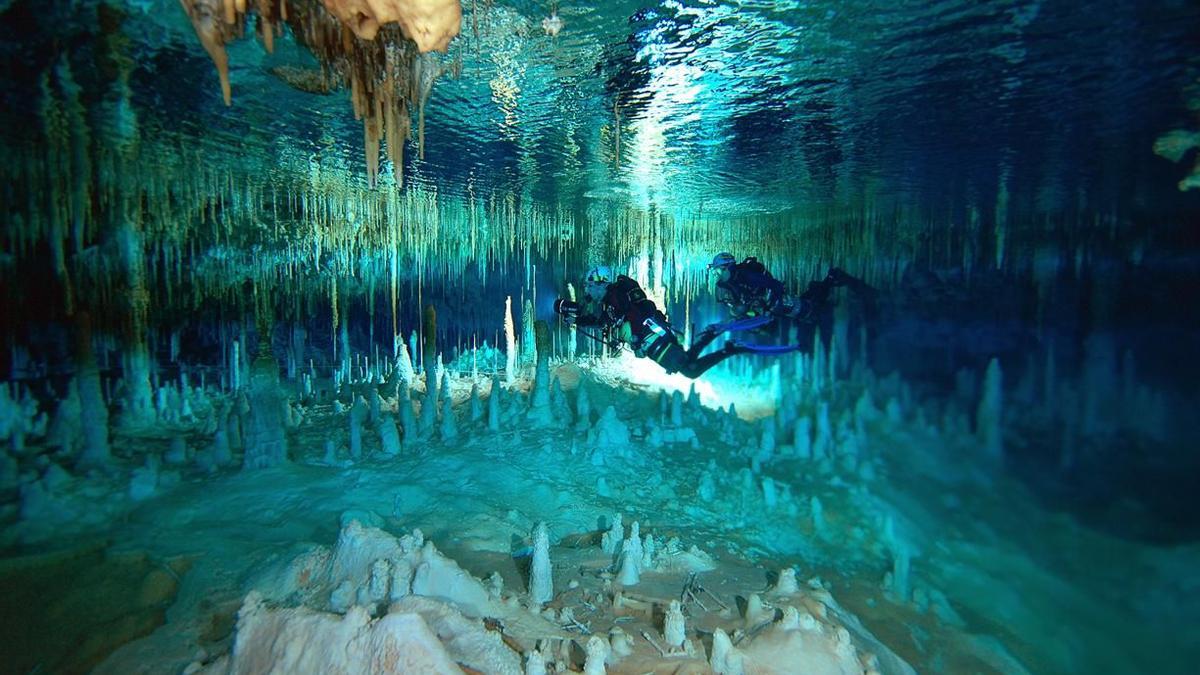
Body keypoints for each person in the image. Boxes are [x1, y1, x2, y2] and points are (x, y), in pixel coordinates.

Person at [555, 266, 747, 379]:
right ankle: (714, 335)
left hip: (653, 339)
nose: (588, 291)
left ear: (600, 283)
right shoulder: (609, 303)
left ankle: (729, 348)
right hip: (653, 340)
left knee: (689, 371)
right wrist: (576, 320)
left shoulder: (614, 295)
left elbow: (633, 313)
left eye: (589, 286)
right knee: (688, 362)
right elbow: (601, 322)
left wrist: (637, 340)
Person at [707, 252, 873, 325]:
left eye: (719, 270)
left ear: (727, 267)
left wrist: (776, 301)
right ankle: (823, 286)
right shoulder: (733, 283)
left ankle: (832, 278)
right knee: (807, 313)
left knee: (811, 310)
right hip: (772, 307)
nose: (718, 274)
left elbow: (776, 285)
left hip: (778, 303)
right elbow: (743, 302)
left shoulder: (746, 276)